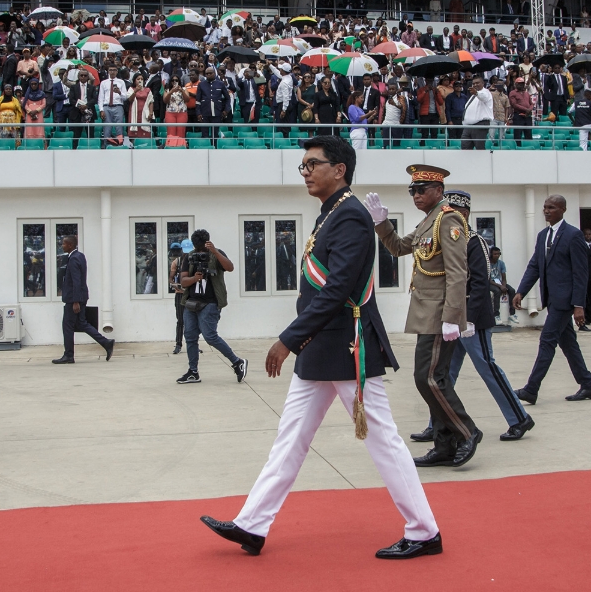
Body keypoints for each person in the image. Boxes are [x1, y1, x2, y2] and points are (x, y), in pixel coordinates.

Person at [201, 135, 441, 561]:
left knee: (383, 440)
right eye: (304, 166)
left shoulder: (348, 215)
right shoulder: (330, 213)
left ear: (340, 169)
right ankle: (252, 525)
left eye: (313, 164)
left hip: (346, 347)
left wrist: (288, 339)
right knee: (290, 438)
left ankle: (424, 531)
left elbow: (337, 290)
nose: (306, 171)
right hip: (322, 348)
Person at [366, 165, 481, 468]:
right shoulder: (428, 222)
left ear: (439, 191)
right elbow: (398, 248)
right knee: (433, 378)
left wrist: (453, 316)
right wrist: (382, 223)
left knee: (428, 378)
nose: (416, 195)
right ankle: (444, 445)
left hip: (440, 313)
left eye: (421, 189)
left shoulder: (449, 219)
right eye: (412, 190)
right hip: (427, 312)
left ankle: (467, 431)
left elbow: (458, 272)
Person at [419, 191, 534, 441]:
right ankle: (438, 425)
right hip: (452, 320)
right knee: (444, 374)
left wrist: (468, 318)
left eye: (452, 212)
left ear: (465, 214)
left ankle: (519, 418)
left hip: (472, 320)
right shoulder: (449, 240)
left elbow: (480, 284)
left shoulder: (474, 242)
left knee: (487, 367)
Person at [512, 194, 591, 404]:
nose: (546, 211)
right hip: (551, 299)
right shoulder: (543, 235)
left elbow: (581, 273)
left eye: (551, 207)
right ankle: (588, 386)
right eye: (545, 207)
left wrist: (579, 305)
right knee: (568, 344)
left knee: (547, 340)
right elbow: (535, 265)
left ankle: (531, 389)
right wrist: (521, 291)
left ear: (562, 210)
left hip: (565, 300)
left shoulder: (573, 235)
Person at [176, 229, 247, 384]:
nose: (200, 251)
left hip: (211, 302)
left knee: (210, 336)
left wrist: (214, 251)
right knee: (190, 337)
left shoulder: (216, 253)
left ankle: (237, 362)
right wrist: (195, 278)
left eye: (202, 248)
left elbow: (230, 267)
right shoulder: (189, 257)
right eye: (197, 248)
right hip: (191, 302)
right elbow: (183, 281)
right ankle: (193, 372)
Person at [52, 235, 115, 364]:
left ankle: (68, 355)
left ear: (70, 245)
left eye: (64, 244)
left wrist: (75, 301)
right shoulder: (79, 256)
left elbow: (76, 280)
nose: (62, 246)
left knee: (67, 326)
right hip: (81, 296)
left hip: (74, 299)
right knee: (82, 323)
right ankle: (106, 343)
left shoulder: (74, 259)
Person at [460, 77, 493, 150]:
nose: (475, 85)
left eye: (477, 83)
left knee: (479, 148)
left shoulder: (486, 92)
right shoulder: (473, 96)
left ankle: (482, 161)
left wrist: (476, 93)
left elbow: (483, 97)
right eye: (473, 83)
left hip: (479, 125)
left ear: (483, 83)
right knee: (465, 148)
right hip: (468, 126)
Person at [98, 67, 127, 147]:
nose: (112, 72)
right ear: (108, 71)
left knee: (119, 127)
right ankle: (106, 146)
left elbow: (125, 97)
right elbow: (101, 97)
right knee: (107, 128)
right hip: (106, 106)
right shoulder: (104, 82)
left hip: (118, 106)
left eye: (114, 70)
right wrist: (101, 110)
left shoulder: (121, 82)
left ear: (117, 71)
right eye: (110, 70)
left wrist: (119, 92)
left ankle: (120, 145)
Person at [125, 73, 154, 145]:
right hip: (134, 114)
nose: (140, 80)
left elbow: (151, 102)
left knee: (144, 132)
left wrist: (150, 113)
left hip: (144, 114)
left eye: (141, 79)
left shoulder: (147, 90)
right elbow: (130, 100)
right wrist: (135, 91)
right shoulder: (131, 89)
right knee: (134, 132)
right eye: (138, 79)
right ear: (134, 81)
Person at [163, 75, 188, 147]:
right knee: (171, 131)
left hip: (182, 112)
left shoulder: (184, 89)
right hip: (170, 113)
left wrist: (182, 91)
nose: (174, 82)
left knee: (181, 130)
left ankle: (181, 146)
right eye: (173, 80)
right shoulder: (167, 90)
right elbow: (165, 100)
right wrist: (171, 92)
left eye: (176, 80)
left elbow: (187, 99)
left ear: (179, 81)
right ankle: (171, 146)